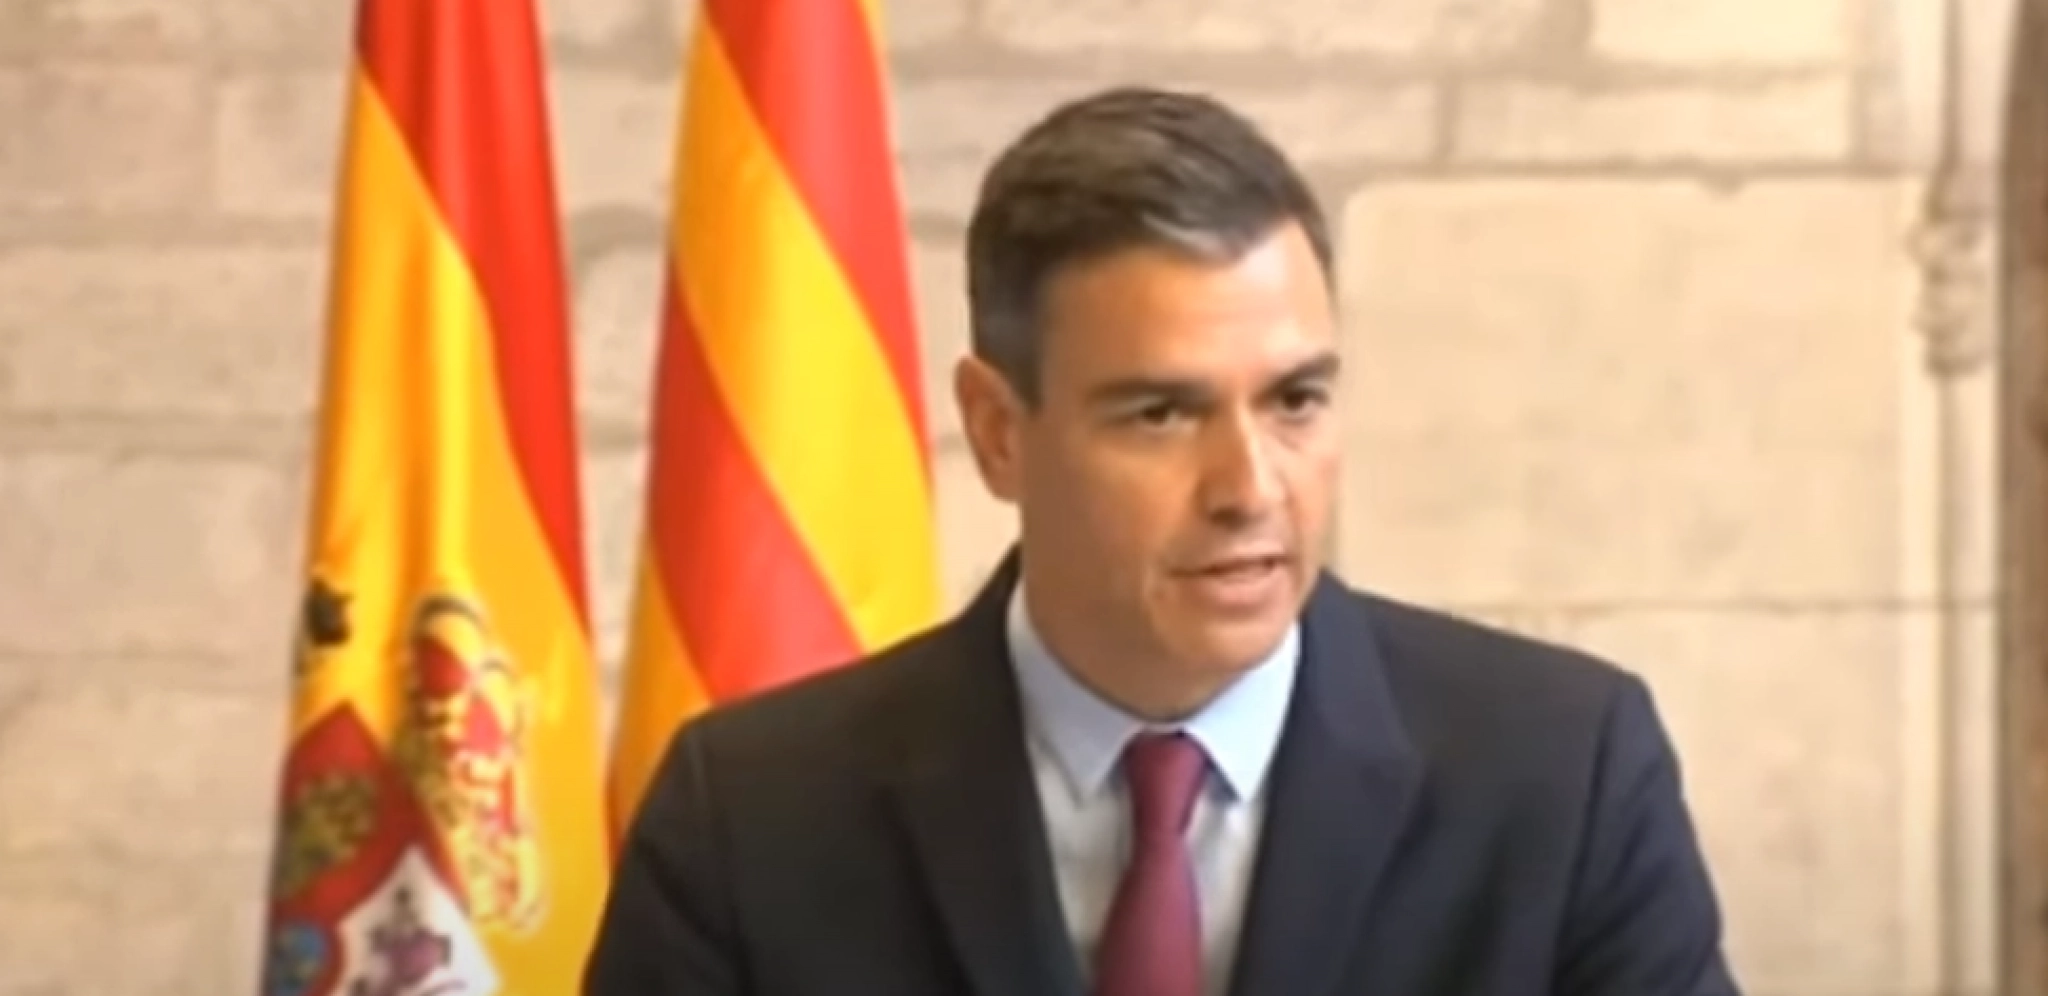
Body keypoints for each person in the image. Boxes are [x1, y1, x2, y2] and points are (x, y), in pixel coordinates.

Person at [583, 85, 1743, 996]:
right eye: (1159, 413)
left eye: (1294, 401)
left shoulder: (1561, 777)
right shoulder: (748, 820)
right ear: (997, 432)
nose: (1250, 488)